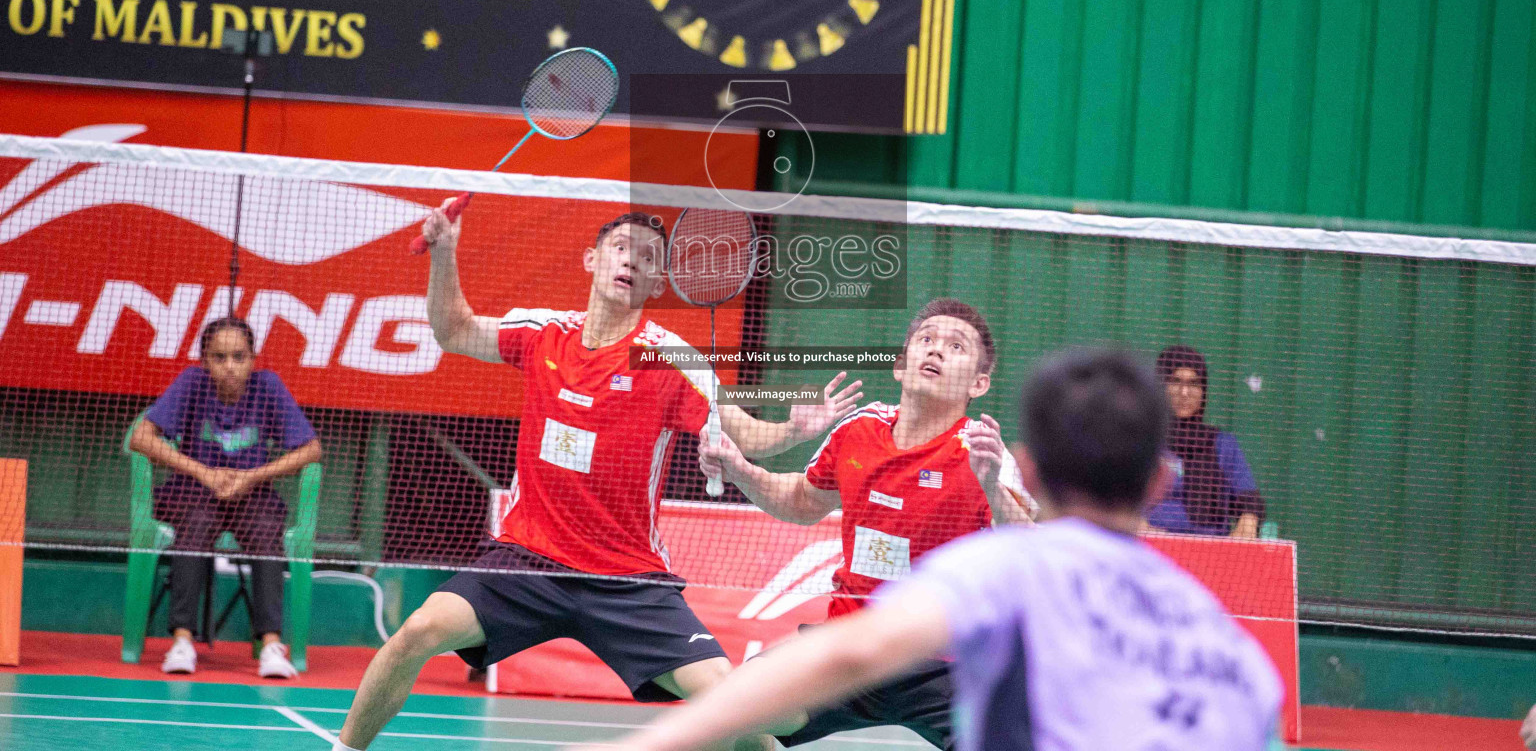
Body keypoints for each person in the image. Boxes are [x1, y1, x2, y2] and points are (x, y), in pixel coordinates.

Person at [333, 208, 859, 751]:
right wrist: (444, 252)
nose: (633, 260)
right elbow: (455, 330)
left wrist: (793, 429)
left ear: (657, 284)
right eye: (621, 247)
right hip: (525, 562)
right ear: (592, 259)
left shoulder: (666, 359)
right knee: (416, 633)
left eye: (649, 258)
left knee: (730, 702)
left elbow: (742, 434)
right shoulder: (543, 335)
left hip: (627, 579)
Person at [591, 349, 1284, 751]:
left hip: (932, 674)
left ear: (1028, 469)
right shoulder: (1234, 654)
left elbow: (853, 652)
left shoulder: (1000, 566)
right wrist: (743, 468)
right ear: (1162, 480)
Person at [700, 297, 1034, 750]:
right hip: (849, 649)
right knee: (732, 711)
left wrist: (993, 486)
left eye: (955, 346)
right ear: (900, 365)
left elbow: (1033, 547)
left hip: (944, 662)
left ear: (979, 383)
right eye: (926, 340)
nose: (935, 351)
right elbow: (802, 501)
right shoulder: (858, 431)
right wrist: (741, 468)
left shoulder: (982, 454)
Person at [128, 316, 322, 679]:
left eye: (239, 357)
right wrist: (204, 473)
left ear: (253, 358)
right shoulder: (192, 383)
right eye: (219, 357)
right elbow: (141, 437)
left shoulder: (268, 386)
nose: (230, 367)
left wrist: (251, 477)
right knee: (198, 525)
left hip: (251, 494)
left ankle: (270, 645)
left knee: (267, 531)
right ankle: (182, 641)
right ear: (205, 360)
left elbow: (311, 450)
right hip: (193, 493)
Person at [1145, 345, 1266, 539]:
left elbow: (1249, 501)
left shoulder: (1223, 445)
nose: (1184, 392)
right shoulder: (1141, 440)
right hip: (1147, 549)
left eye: (1194, 384)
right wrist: (1135, 524)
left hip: (1210, 554)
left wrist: (1248, 522)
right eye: (1175, 381)